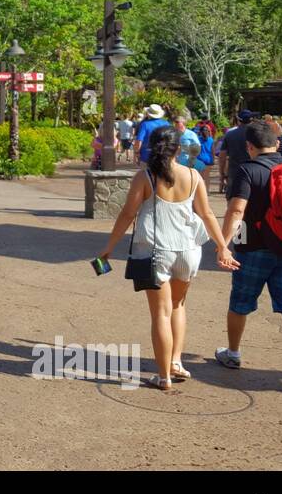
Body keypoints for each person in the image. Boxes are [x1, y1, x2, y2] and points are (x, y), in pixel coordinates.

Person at [98, 126, 238, 390]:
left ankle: (163, 376)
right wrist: (223, 247)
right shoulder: (194, 176)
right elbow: (207, 214)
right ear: (179, 148)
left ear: (153, 146)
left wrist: (109, 247)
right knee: (178, 306)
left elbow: (128, 213)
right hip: (188, 251)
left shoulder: (145, 176)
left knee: (160, 314)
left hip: (154, 251)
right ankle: (175, 362)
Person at [217, 122, 282, 392]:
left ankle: (233, 352)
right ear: (276, 144)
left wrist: (223, 245)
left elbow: (237, 210)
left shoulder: (247, 170)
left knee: (240, 302)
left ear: (249, 147)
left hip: (251, 248)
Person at [217, 110, 254, 194]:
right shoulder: (257, 133)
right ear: (251, 120)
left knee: (233, 198)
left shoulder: (230, 134)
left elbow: (222, 156)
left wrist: (222, 174)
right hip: (254, 171)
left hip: (235, 172)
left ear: (238, 120)